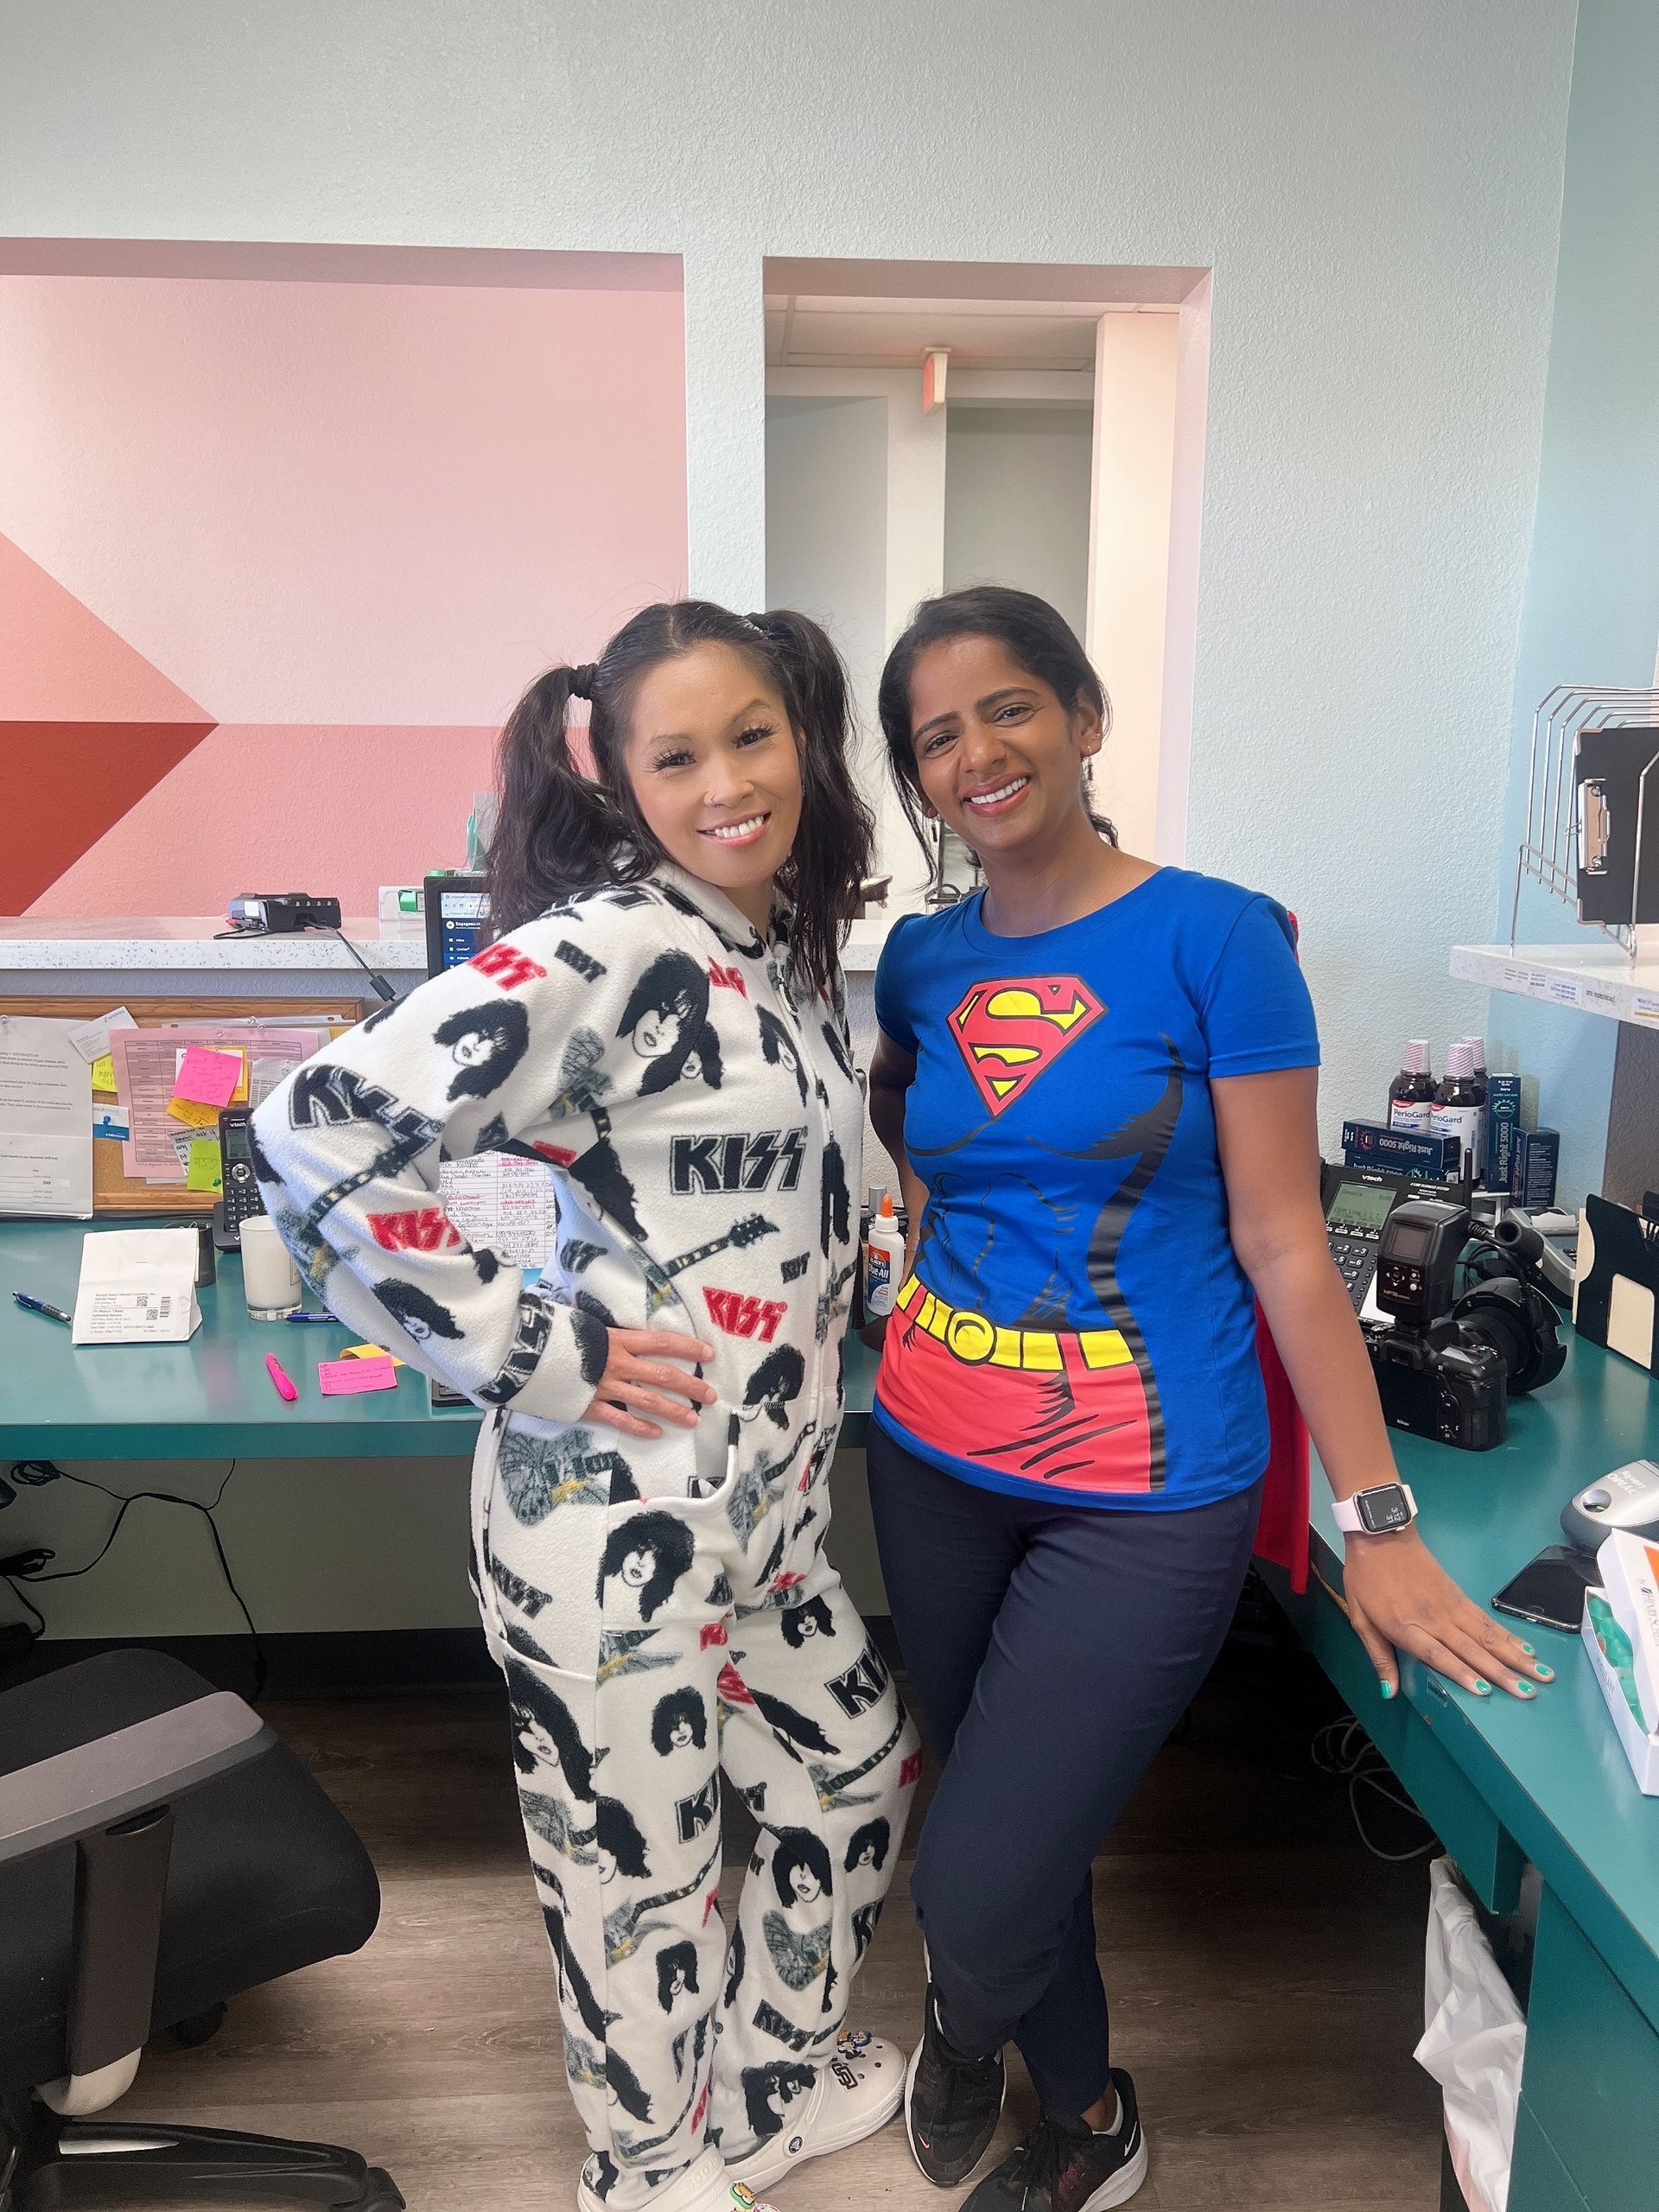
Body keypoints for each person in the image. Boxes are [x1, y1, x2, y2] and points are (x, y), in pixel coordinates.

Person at [862, 586, 1554, 2212]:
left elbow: (1285, 1241)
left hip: (1150, 1484)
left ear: (1087, 718)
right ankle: (1084, 2113)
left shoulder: (1219, 937)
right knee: (1013, 1821)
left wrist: (1375, 1522)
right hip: (933, 1455)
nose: (978, 754)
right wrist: (917, 1246)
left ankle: (970, 2013)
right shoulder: (921, 958)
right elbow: (923, 1136)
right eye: (935, 736)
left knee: (974, 1879)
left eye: (1010, 708)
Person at [250, 600, 920, 2212]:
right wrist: (538, 1350)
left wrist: (879, 1257)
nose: (727, 782)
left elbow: (736, 1194)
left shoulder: (764, 947)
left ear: (803, 744)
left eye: (752, 738)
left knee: (853, 1768)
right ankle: (645, 2164)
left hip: (763, 1517)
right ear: (621, 781)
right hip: (609, 1511)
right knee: (644, 1860)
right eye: (676, 756)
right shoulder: (613, 943)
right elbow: (312, 1135)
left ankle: (764, 2088)